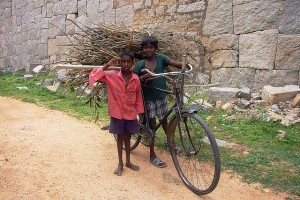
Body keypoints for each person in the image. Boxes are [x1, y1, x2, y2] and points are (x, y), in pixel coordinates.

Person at [133, 36, 189, 168]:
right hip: (148, 99)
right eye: (145, 47)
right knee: (152, 126)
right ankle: (152, 155)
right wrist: (144, 77)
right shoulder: (140, 64)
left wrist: (185, 65)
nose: (148, 50)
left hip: (161, 96)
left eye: (151, 47)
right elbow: (134, 80)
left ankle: (171, 145)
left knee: (165, 122)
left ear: (156, 48)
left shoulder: (161, 58)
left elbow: (175, 63)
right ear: (142, 50)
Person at [89, 51, 144, 176]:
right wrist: (109, 64)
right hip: (117, 113)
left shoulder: (135, 79)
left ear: (132, 63)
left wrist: (140, 113)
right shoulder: (112, 75)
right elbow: (95, 75)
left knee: (128, 137)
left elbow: (138, 96)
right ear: (119, 62)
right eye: (123, 61)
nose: (125, 64)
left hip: (130, 113)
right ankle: (120, 163)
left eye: (128, 61)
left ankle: (128, 162)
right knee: (120, 138)